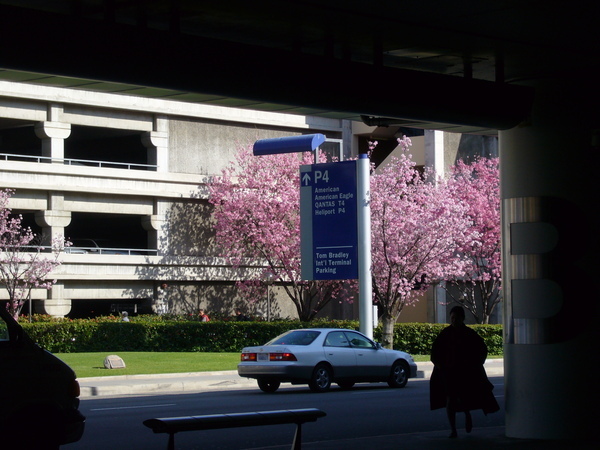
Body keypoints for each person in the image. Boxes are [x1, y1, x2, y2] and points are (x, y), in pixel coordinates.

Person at [430, 305, 499, 438]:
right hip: (450, 373)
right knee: (450, 400)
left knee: (463, 397)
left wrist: (476, 364)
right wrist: (440, 366)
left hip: (464, 373)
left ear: (462, 318)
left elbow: (481, 350)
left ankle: (466, 416)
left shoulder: (468, 334)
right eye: (452, 318)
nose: (454, 320)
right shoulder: (446, 334)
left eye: (457, 318)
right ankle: (453, 429)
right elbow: (435, 352)